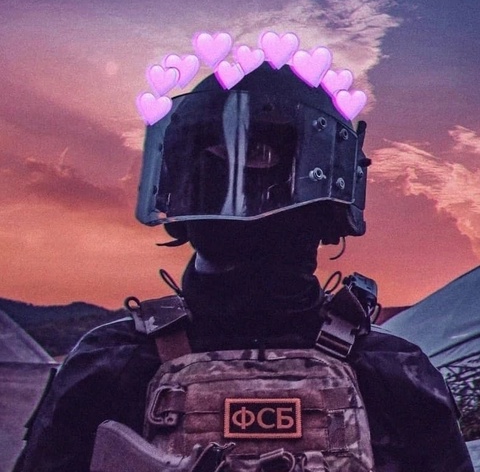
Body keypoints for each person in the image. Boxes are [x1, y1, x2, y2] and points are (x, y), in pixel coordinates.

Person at [15, 64, 474, 472]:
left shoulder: (110, 361)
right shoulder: (392, 369)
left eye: (259, 155)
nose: (236, 189)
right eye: (215, 160)